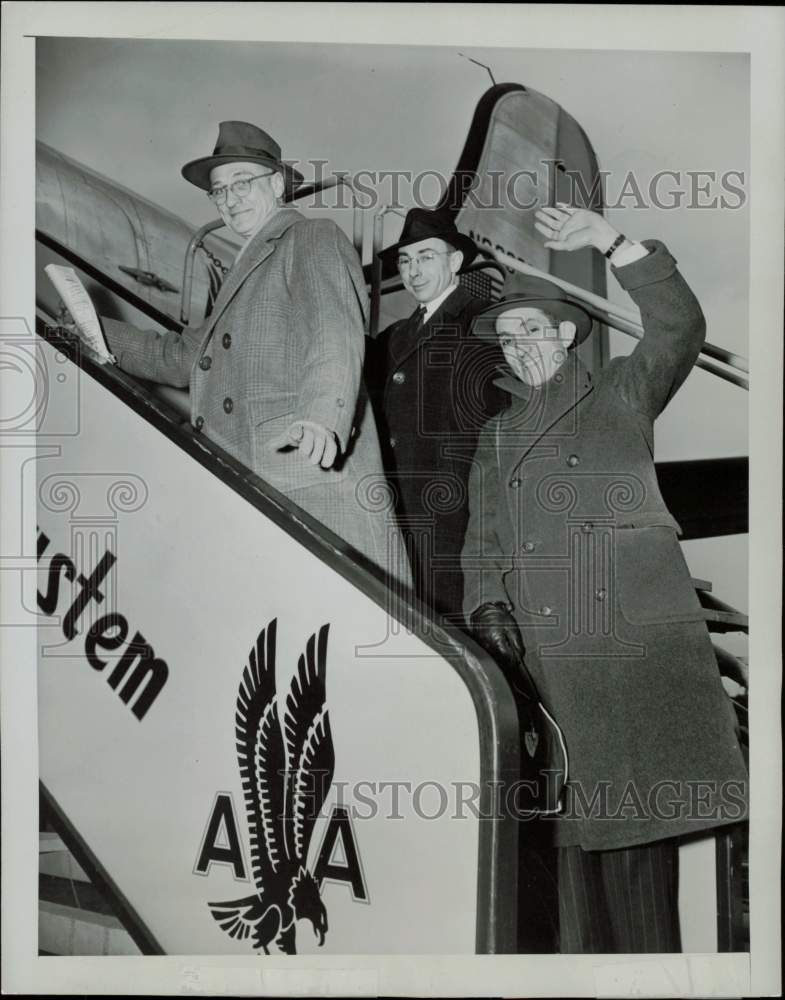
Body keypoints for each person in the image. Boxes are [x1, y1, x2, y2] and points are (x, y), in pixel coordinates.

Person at [463, 204, 748, 953]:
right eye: (506, 334)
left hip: (626, 655)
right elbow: (480, 535)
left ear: (565, 334)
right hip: (545, 662)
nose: (518, 343)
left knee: (635, 846)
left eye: (532, 328)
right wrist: (486, 603)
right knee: (567, 855)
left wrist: (613, 244)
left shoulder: (621, 392)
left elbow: (678, 326)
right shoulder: (494, 436)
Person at [97, 121, 408, 586]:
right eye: (219, 191)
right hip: (254, 487)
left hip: (304, 484)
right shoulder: (247, 266)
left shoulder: (311, 236)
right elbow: (182, 357)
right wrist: (94, 330)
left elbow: (333, 326)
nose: (229, 199)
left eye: (242, 183)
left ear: (278, 184)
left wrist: (324, 412)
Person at [367, 208, 505, 620]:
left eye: (425, 256)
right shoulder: (395, 336)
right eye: (405, 260)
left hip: (455, 521)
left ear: (455, 261)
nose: (413, 270)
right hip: (400, 516)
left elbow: (498, 426)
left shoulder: (483, 322)